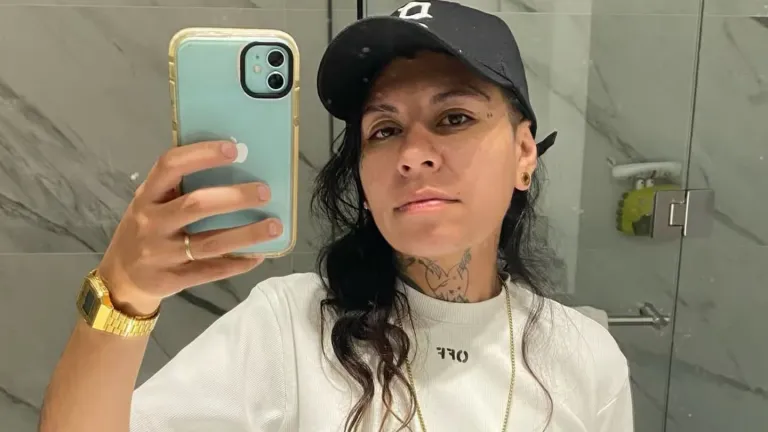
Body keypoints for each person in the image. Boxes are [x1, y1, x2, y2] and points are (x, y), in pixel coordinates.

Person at [40, 1, 632, 431]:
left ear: (524, 153)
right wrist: (122, 293)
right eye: (384, 130)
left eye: (454, 118)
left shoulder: (584, 357)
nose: (413, 153)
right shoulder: (288, 328)